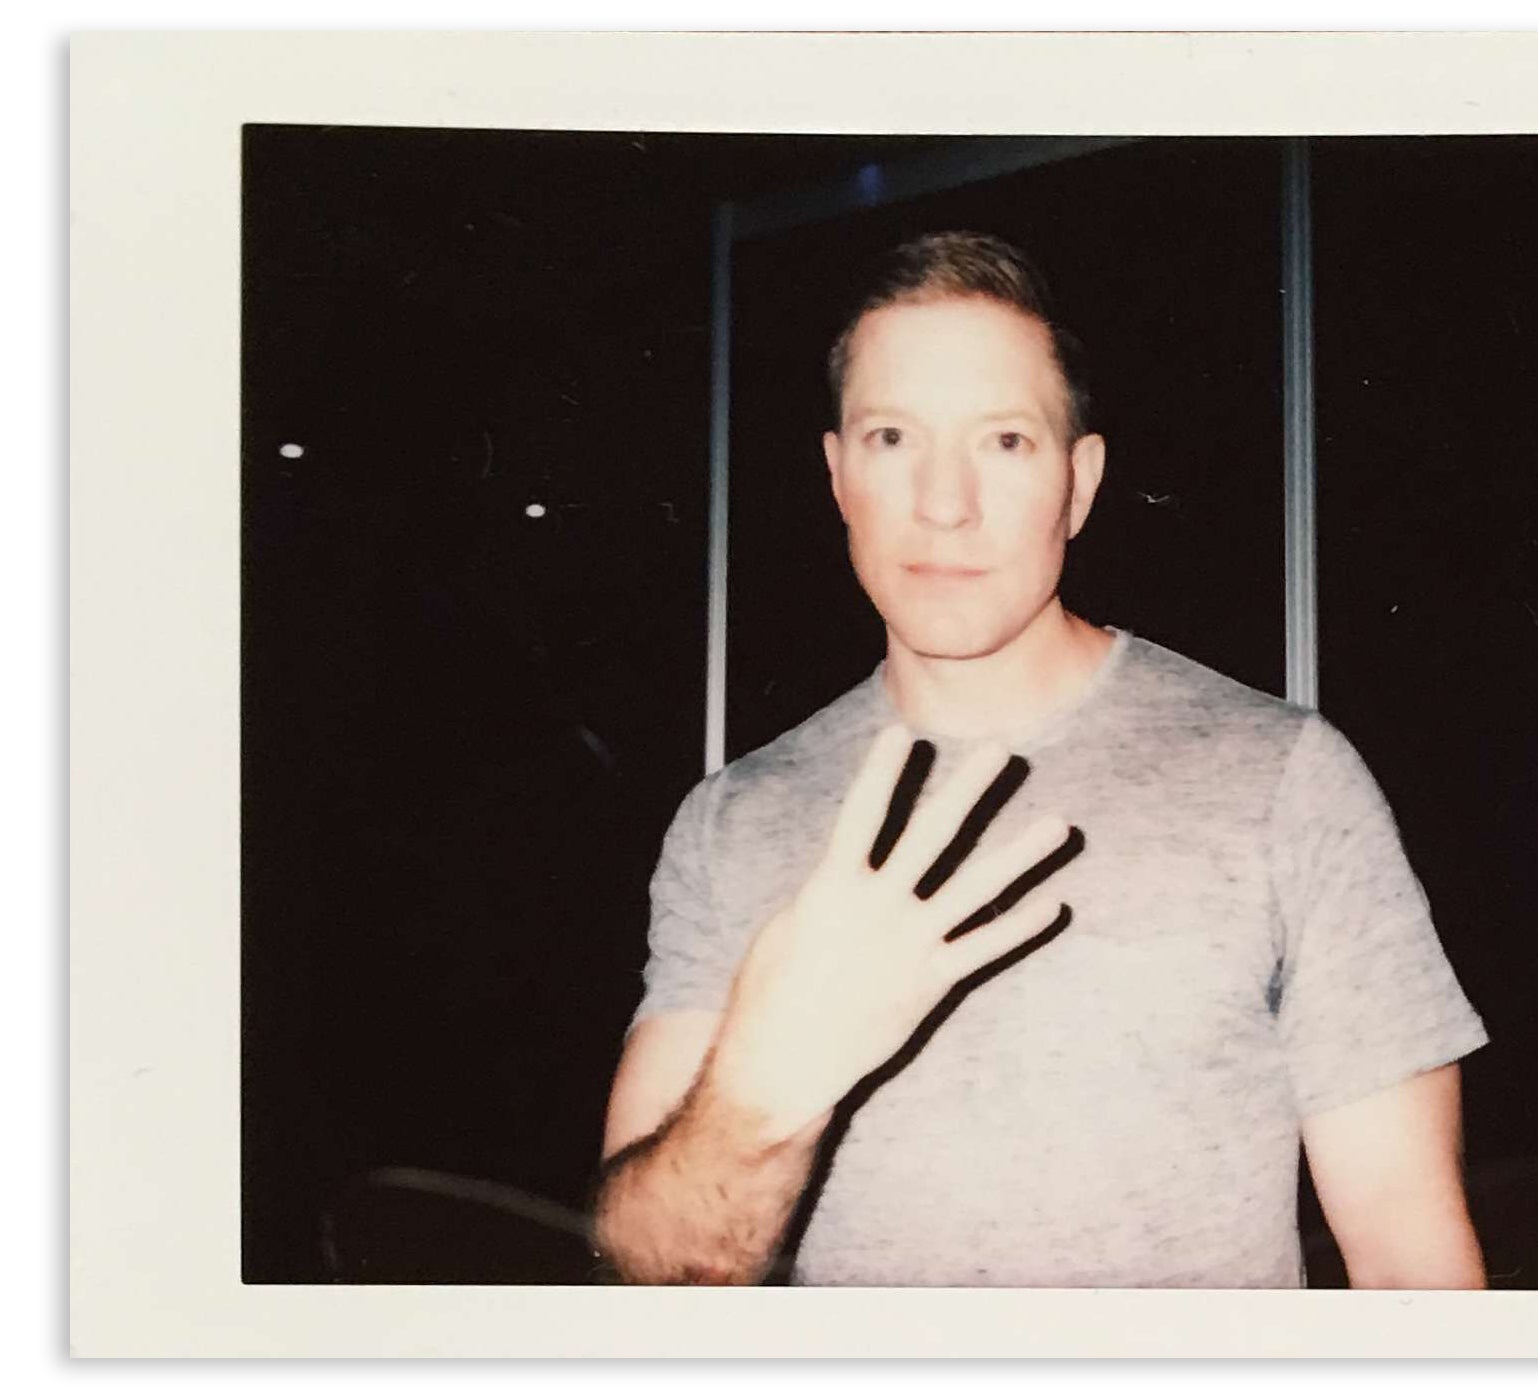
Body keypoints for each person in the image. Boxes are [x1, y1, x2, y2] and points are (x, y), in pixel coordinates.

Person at [591, 231, 1489, 1289]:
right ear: (838, 476)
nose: (945, 502)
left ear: (1079, 482)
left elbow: (1409, 1263)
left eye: (1006, 441)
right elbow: (646, 1278)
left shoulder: (1283, 778)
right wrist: (764, 1089)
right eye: (892, 437)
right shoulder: (732, 820)